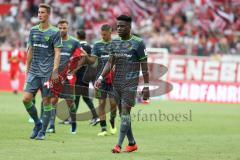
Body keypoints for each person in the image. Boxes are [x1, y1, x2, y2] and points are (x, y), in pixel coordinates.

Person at [94, 15, 150, 153]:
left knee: (125, 112)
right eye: (117, 26)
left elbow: (145, 66)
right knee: (123, 115)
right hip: (116, 84)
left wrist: (147, 86)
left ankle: (118, 145)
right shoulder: (115, 43)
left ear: (129, 27)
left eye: (122, 26)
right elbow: (110, 62)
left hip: (130, 84)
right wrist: (101, 77)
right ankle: (132, 143)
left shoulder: (138, 43)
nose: (119, 29)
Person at [22, 3, 62, 140]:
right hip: (33, 72)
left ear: (48, 14)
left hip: (47, 74)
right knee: (26, 99)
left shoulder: (55, 32)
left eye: (43, 12)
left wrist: (55, 71)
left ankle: (42, 132)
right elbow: (30, 51)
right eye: (39, 12)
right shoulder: (33, 30)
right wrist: (27, 72)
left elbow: (57, 53)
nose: (40, 14)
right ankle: (38, 124)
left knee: (46, 102)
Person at [47, 19, 86, 134]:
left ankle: (73, 124)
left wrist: (74, 70)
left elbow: (82, 57)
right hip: (55, 75)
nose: (62, 30)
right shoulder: (52, 41)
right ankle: (51, 126)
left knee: (70, 101)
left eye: (64, 28)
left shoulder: (74, 42)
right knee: (53, 100)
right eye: (60, 28)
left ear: (68, 28)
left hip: (67, 76)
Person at [86, 24, 117, 136]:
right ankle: (103, 129)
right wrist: (86, 57)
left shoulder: (116, 44)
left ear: (110, 32)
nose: (103, 36)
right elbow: (93, 60)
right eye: (101, 34)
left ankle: (112, 121)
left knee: (113, 103)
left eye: (105, 34)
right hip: (100, 79)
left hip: (114, 79)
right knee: (101, 103)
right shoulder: (97, 45)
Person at [74, 29, 99, 126]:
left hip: (79, 75)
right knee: (84, 98)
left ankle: (71, 118)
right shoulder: (89, 47)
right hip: (86, 75)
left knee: (77, 97)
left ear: (77, 36)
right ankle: (95, 116)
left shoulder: (79, 47)